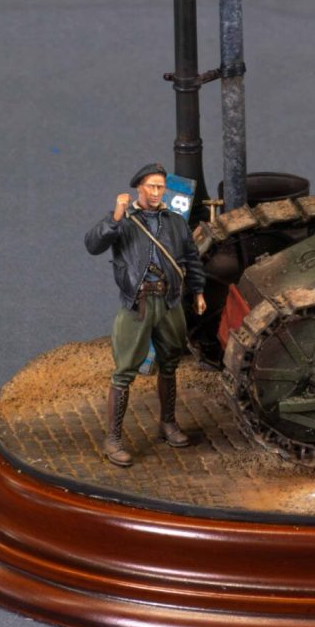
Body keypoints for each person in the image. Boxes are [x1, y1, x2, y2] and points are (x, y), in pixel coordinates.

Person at [83, 162, 205, 466]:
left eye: (160, 186)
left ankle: (168, 423)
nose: (156, 192)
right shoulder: (124, 221)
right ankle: (113, 438)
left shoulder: (175, 222)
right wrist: (114, 217)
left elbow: (191, 257)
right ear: (139, 187)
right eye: (151, 186)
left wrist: (199, 292)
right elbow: (93, 244)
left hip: (169, 301)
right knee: (124, 371)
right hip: (137, 304)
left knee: (170, 363)